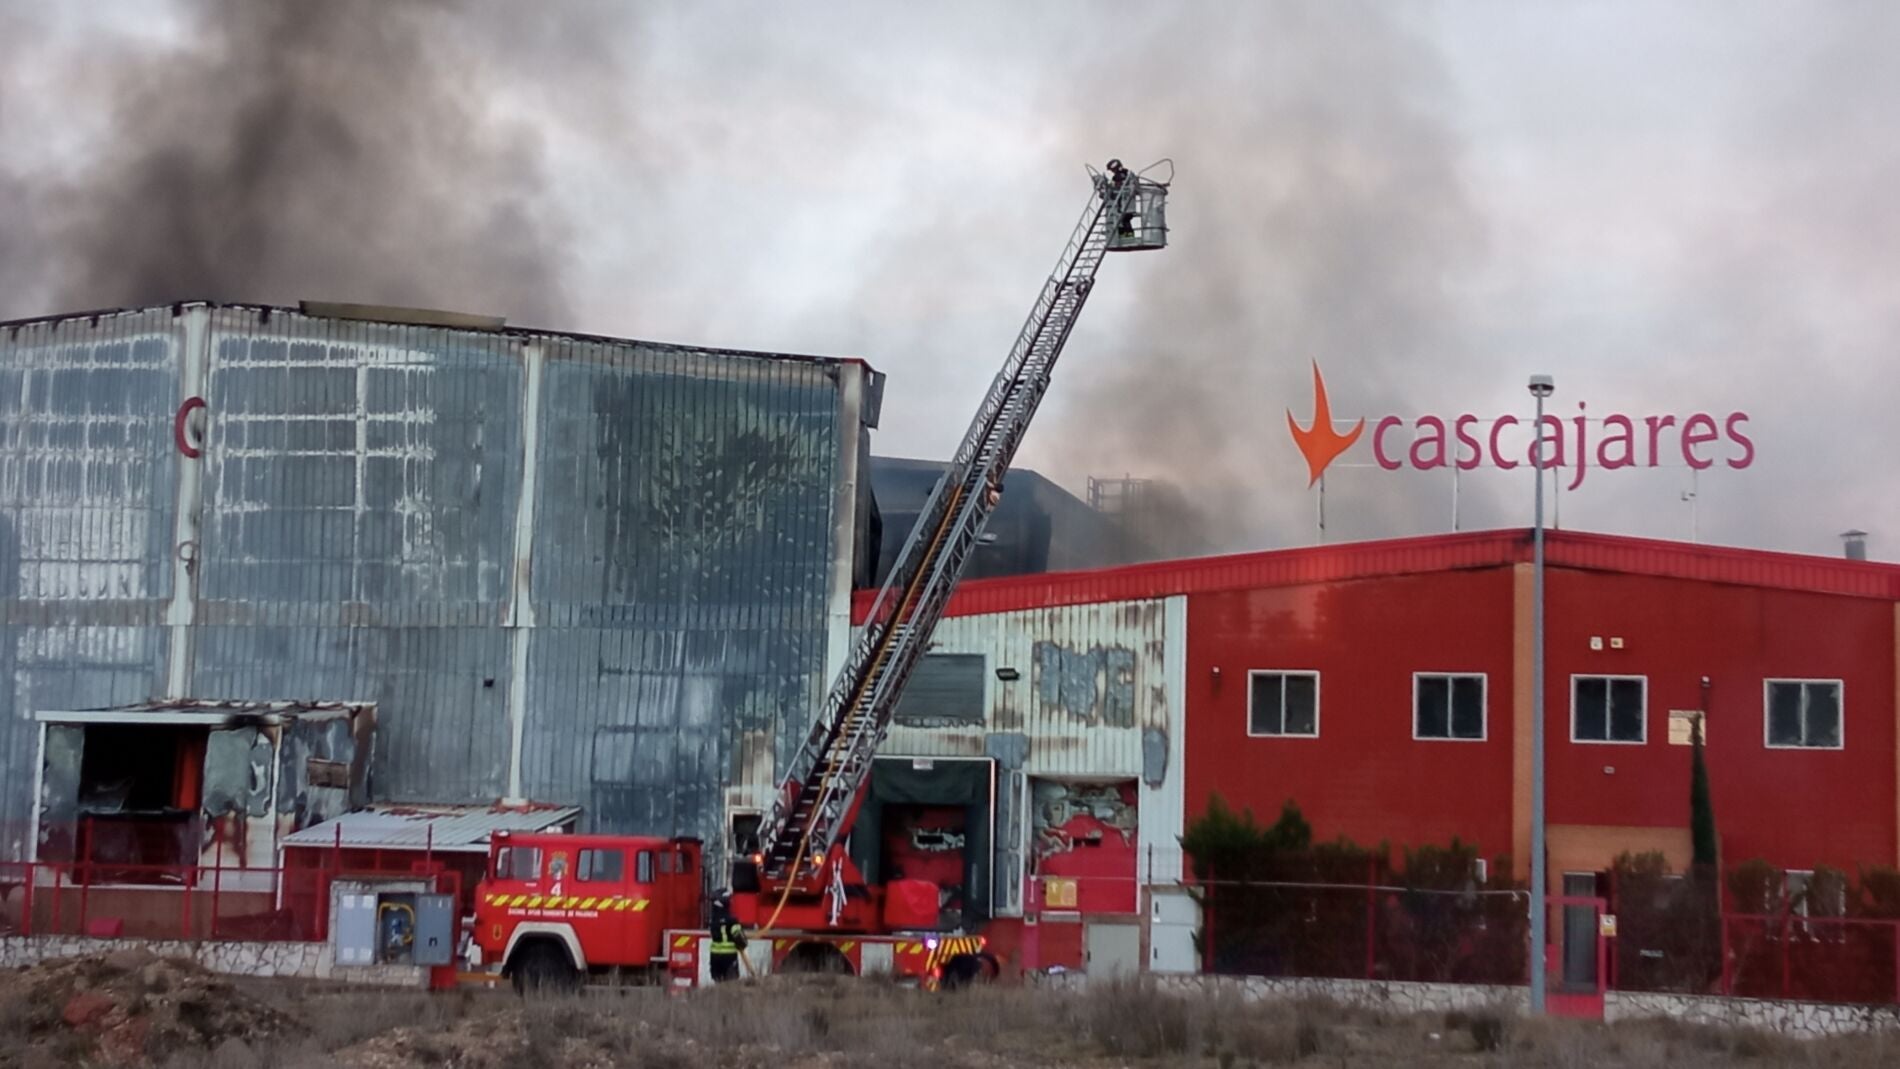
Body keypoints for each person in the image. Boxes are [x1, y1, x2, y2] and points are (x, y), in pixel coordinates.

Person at [708, 889, 747, 983]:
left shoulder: (713, 920)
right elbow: (740, 940)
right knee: (731, 984)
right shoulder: (732, 921)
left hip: (715, 957)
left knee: (718, 983)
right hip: (729, 958)